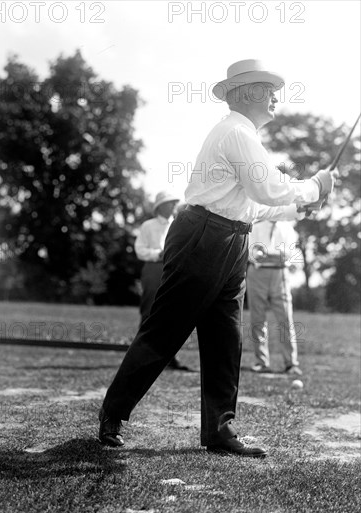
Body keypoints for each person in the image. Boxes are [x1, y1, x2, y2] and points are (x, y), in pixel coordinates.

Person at [98, 59, 336, 458]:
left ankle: (219, 430)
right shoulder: (236, 133)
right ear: (245, 95)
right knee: (166, 330)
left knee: (226, 339)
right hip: (203, 237)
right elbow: (268, 190)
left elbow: (254, 208)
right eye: (267, 88)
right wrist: (314, 187)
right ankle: (113, 412)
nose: (276, 95)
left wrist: (301, 207)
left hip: (230, 239)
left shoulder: (244, 136)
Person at [135, 191, 191, 371]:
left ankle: (169, 358)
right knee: (149, 311)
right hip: (153, 269)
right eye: (169, 203)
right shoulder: (148, 225)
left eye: (174, 202)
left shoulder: (178, 224)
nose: (173, 206)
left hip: (173, 269)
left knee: (172, 313)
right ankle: (140, 356)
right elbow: (140, 250)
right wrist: (156, 254)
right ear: (160, 206)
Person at [247, 220, 302, 375]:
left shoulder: (288, 227)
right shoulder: (256, 226)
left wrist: (283, 258)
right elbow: (251, 252)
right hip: (258, 273)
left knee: (285, 318)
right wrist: (267, 256)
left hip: (280, 274)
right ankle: (261, 362)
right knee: (258, 319)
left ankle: (291, 363)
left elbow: (291, 253)